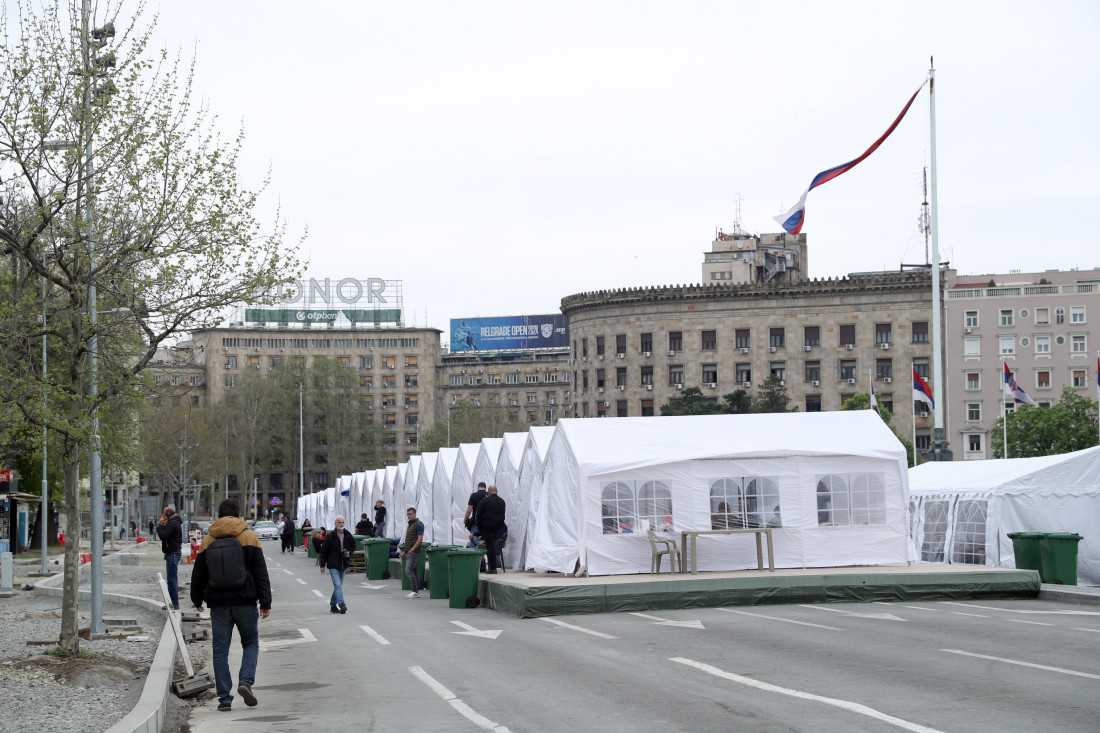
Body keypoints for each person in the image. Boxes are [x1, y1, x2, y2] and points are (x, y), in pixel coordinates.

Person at [190, 498, 272, 713]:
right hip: (245, 602)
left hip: (219, 605)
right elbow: (260, 573)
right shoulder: (249, 536)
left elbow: (198, 574)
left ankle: (224, 699)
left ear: (219, 515)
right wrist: (265, 602)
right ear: (238, 515)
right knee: (251, 643)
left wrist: (196, 600)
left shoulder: (208, 540)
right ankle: (245, 682)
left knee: (219, 651)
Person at [318, 516, 356, 614]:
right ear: (335, 523)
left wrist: (349, 552)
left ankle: (333, 605)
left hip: (344, 564)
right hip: (333, 564)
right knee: (337, 584)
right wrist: (322, 565)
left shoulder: (347, 534)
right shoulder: (330, 536)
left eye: (342, 522)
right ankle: (342, 604)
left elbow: (353, 545)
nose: (341, 524)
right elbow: (324, 551)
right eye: (339, 522)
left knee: (338, 586)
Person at [156, 506, 184, 610]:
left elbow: (164, 536)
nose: (162, 516)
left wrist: (161, 525)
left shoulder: (173, 523)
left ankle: (174, 603)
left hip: (173, 553)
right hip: (171, 552)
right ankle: (173, 602)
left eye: (164, 514)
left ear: (168, 514)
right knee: (172, 579)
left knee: (172, 580)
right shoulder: (173, 522)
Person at [475, 485, 506, 573]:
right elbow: (503, 515)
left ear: (488, 493)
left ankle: (492, 568)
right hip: (499, 528)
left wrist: (480, 527)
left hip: (487, 527)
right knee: (494, 546)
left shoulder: (484, 501)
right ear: (497, 491)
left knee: (490, 547)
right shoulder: (502, 501)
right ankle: (495, 566)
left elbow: (478, 515)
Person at [399, 507, 425, 598]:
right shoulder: (411, 524)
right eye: (408, 514)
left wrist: (412, 549)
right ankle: (415, 590)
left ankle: (414, 591)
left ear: (414, 514)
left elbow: (420, 539)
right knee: (413, 571)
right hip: (410, 552)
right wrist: (404, 552)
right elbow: (409, 539)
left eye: (410, 514)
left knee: (408, 570)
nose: (409, 516)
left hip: (414, 552)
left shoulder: (419, 524)